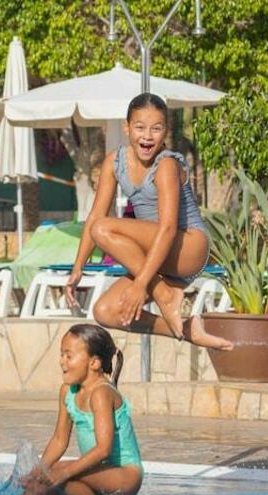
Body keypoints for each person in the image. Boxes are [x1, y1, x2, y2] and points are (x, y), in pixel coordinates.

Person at [66, 93, 232, 351]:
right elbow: (95, 215)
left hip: (188, 247)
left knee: (103, 229)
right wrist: (78, 268)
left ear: (166, 130)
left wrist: (142, 284)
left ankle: (164, 295)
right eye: (140, 127)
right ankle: (185, 329)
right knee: (105, 311)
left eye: (156, 129)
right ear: (127, 128)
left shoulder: (166, 165)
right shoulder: (114, 162)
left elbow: (168, 228)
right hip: (159, 258)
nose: (147, 136)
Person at [0, 324, 142, 495]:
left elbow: (103, 449)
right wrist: (37, 472)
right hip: (97, 471)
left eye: (69, 356)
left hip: (125, 475)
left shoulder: (101, 393)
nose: (62, 361)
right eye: (61, 355)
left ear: (94, 363)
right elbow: (59, 440)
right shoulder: (68, 391)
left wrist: (62, 473)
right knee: (41, 486)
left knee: (59, 474)